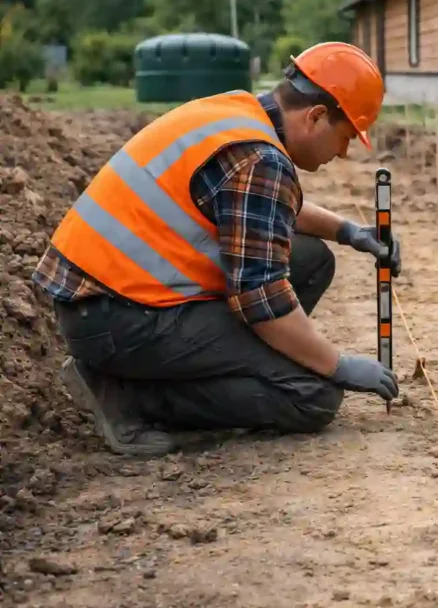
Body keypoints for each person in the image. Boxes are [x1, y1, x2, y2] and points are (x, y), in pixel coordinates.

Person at [30, 41, 401, 457]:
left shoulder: (237, 114)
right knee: (311, 395)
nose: (344, 151)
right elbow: (260, 301)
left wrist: (347, 231)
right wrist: (336, 364)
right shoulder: (259, 159)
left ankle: (223, 367)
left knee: (311, 260)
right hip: (117, 318)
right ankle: (125, 394)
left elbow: (258, 207)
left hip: (103, 299)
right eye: (346, 135)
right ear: (316, 117)